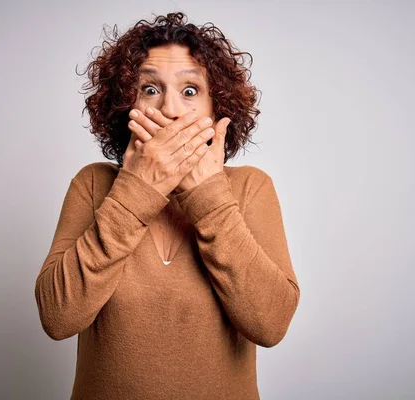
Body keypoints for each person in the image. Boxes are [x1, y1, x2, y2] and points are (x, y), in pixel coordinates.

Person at [34, 12, 300, 400]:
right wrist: (135, 190)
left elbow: (271, 324)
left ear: (216, 107)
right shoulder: (93, 184)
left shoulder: (250, 188)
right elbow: (58, 317)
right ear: (127, 106)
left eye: (190, 91)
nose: (171, 109)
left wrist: (208, 197)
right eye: (150, 89)